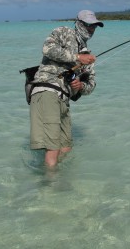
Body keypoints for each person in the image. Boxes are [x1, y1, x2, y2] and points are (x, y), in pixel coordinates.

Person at [30, 10, 103, 168]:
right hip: (47, 89)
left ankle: (51, 177)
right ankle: (50, 188)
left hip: (64, 99)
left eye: (94, 27)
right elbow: (47, 49)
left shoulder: (88, 56)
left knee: (66, 147)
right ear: (78, 23)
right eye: (88, 25)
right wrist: (77, 57)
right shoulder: (63, 31)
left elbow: (91, 84)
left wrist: (81, 86)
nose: (91, 29)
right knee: (53, 147)